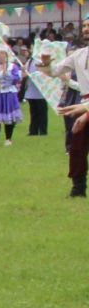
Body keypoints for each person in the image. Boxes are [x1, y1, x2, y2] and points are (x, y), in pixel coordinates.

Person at [56, 42, 89, 197]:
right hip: (83, 104)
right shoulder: (79, 54)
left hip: (84, 108)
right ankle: (78, 188)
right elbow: (55, 70)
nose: (86, 29)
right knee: (76, 149)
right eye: (84, 26)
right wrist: (45, 63)